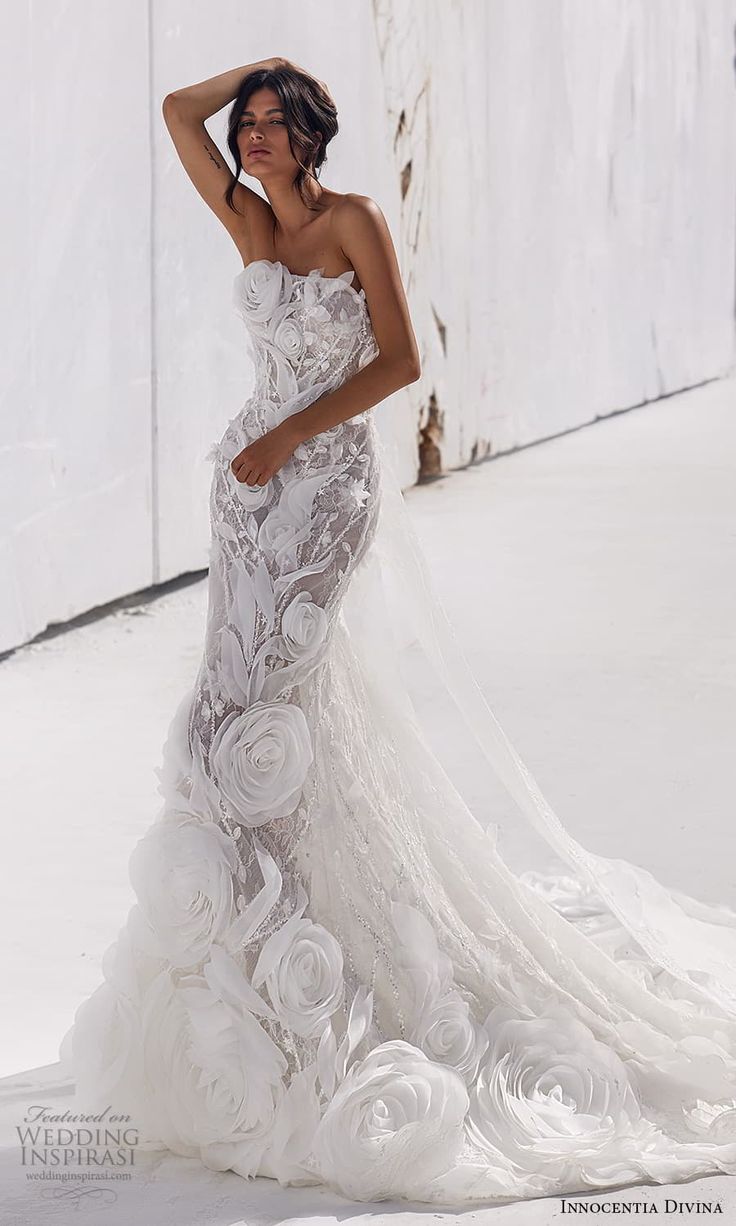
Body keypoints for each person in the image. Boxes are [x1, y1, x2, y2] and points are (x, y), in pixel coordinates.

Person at [59, 58, 736, 1207]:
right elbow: (177, 114)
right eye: (253, 127)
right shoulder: (243, 215)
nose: (258, 139)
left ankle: (320, 969)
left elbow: (401, 361)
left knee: (270, 711)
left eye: (277, 124)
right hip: (245, 496)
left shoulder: (350, 219)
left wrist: (288, 437)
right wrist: (250, 74)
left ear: (313, 137)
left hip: (321, 491)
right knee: (231, 719)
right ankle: (267, 964)